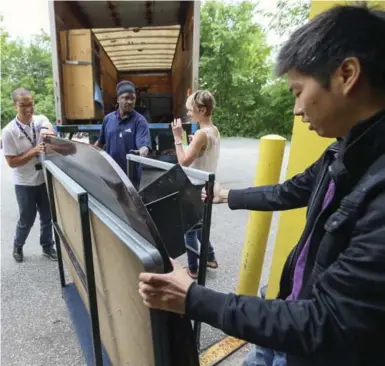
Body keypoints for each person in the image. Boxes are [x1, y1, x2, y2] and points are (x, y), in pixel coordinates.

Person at [138, 4, 385, 366]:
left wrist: (193, 298)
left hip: (308, 343)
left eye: (298, 91)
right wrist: (227, 195)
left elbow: (329, 322)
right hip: (286, 315)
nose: (297, 110)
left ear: (347, 74)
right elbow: (290, 191)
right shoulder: (342, 151)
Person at [2, 88, 58, 263]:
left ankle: (47, 247)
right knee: (27, 218)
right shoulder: (9, 131)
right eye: (23, 106)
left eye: (31, 104)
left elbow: (48, 127)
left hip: (43, 179)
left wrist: (48, 131)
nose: (28, 109)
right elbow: (11, 162)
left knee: (47, 216)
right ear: (14, 105)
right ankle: (18, 246)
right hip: (24, 182)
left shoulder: (39, 120)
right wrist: (33, 151)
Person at [171, 90, 220, 279]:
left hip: (195, 186)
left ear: (202, 109)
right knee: (200, 226)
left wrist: (177, 138)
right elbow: (203, 153)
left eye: (191, 110)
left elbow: (183, 161)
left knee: (189, 230)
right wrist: (194, 145)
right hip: (207, 184)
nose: (188, 114)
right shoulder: (213, 130)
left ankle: (192, 268)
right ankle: (210, 257)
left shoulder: (201, 134)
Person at [95, 81, 151, 190]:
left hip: (131, 176)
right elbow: (100, 143)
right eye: (126, 98)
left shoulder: (140, 121)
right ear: (118, 99)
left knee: (130, 206)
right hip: (111, 174)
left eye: (133, 98)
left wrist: (140, 154)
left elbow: (144, 146)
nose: (130, 101)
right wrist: (90, 153)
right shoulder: (108, 119)